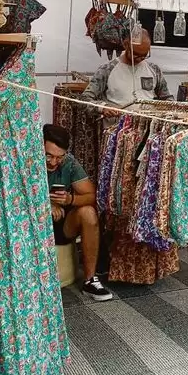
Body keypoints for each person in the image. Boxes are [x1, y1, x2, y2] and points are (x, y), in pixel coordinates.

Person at [44, 123, 112, 302]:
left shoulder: (69, 163)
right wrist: (46, 204)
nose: (53, 162)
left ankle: (90, 280)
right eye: (48, 155)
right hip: (30, 222)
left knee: (89, 213)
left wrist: (69, 200)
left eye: (59, 157)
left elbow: (92, 195)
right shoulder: (25, 160)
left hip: (61, 223)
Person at [81, 29, 171, 111]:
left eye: (144, 55)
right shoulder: (107, 69)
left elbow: (167, 98)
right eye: (136, 54)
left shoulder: (154, 70)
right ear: (125, 45)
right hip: (116, 126)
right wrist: (102, 108)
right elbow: (85, 99)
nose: (140, 58)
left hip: (146, 125)